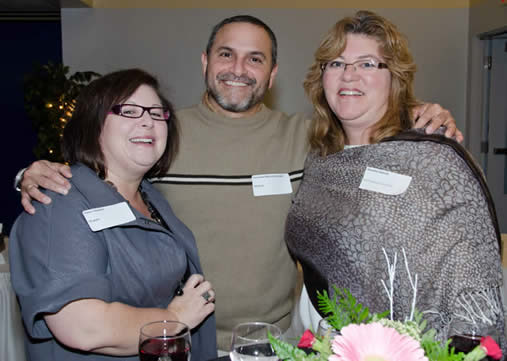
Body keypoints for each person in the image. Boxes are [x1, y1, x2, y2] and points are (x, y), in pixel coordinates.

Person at [16, 15, 462, 350]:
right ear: (206, 61)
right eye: (226, 54)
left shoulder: (304, 137)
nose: (238, 68)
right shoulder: (161, 134)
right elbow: (103, 169)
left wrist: (420, 114)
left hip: (276, 341)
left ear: (271, 75)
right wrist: (32, 173)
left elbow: (363, 126)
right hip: (174, 337)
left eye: (255, 58)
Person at [285, 10, 505, 347]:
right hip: (316, 340)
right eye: (337, 63)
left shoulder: (433, 160)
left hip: (397, 348)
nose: (349, 76)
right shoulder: (321, 156)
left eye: (368, 64)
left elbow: (471, 280)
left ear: (395, 77)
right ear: (322, 76)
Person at [9, 69, 217, 361]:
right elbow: (82, 326)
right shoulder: (57, 203)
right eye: (129, 111)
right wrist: (173, 318)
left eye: (158, 114)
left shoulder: (150, 196)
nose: (148, 120)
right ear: (92, 124)